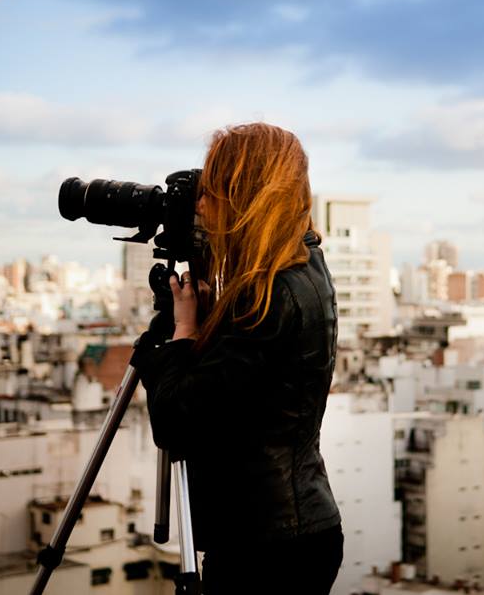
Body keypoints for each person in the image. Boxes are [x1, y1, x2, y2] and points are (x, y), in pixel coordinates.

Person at [134, 123, 343, 594]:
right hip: (298, 528)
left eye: (211, 191)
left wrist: (183, 332)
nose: (200, 205)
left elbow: (176, 420)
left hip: (263, 550)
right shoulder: (304, 265)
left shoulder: (265, 296)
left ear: (245, 197)